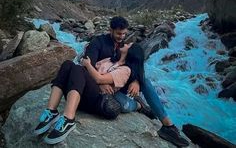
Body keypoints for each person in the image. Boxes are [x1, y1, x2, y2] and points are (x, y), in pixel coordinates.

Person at [84, 16, 189, 147]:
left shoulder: (123, 46)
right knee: (121, 105)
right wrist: (102, 82)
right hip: (103, 82)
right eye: (118, 33)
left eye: (124, 34)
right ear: (110, 30)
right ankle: (139, 106)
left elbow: (135, 63)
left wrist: (136, 81)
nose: (122, 37)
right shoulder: (98, 43)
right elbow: (86, 64)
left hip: (117, 79)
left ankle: (168, 126)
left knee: (144, 81)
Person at [34, 42, 137, 145]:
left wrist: (92, 71)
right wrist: (97, 79)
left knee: (79, 69)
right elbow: (91, 75)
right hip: (83, 95)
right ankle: (51, 111)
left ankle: (69, 119)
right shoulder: (109, 60)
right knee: (67, 64)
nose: (126, 43)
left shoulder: (125, 70)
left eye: (129, 45)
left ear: (132, 52)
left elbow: (99, 78)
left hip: (98, 101)